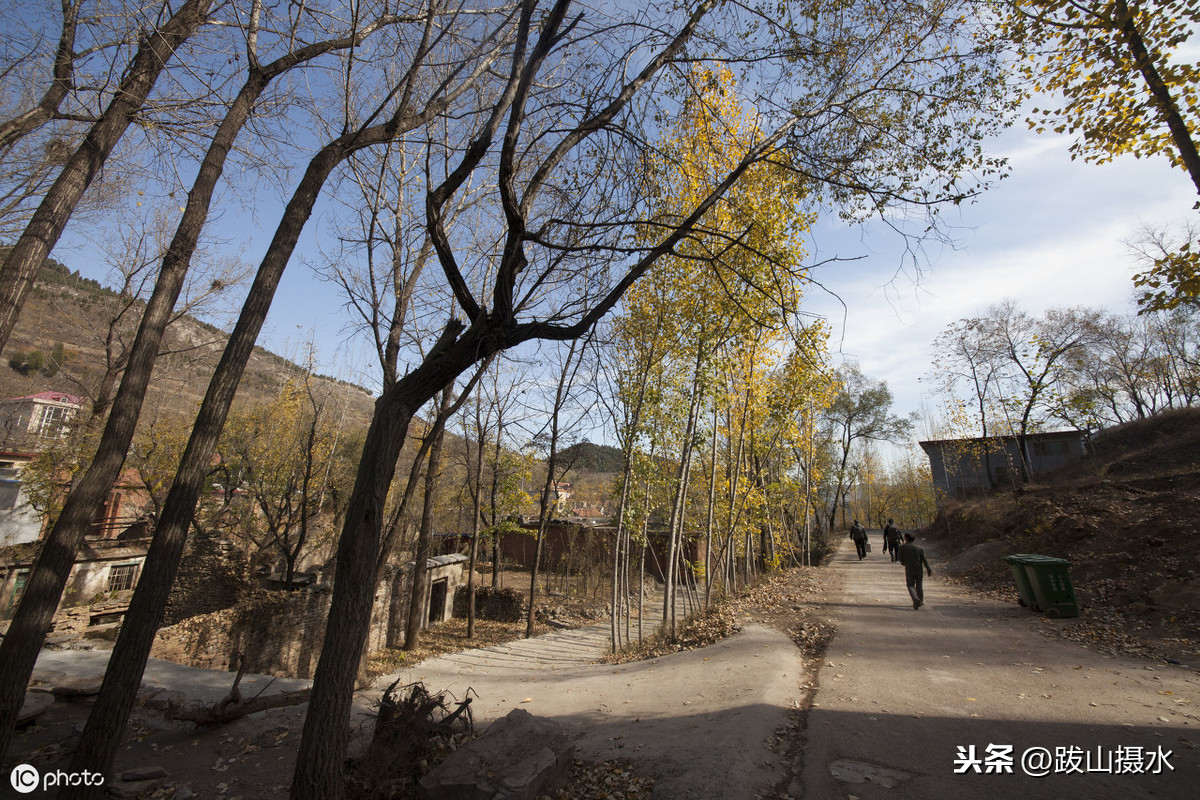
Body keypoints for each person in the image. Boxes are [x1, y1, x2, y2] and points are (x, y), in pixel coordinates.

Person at [898, 532, 932, 609]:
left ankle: (916, 599)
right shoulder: (920, 548)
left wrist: (904, 563)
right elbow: (924, 559)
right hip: (919, 569)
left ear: (906, 538)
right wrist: (928, 568)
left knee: (910, 585)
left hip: (909, 569)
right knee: (919, 585)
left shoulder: (903, 547)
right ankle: (921, 600)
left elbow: (900, 558)